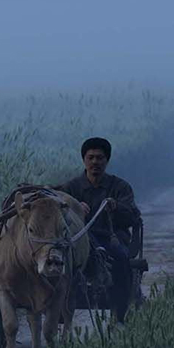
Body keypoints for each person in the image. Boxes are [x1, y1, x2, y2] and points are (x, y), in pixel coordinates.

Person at [56, 137, 140, 323]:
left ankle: (120, 312)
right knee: (57, 259)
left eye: (100, 158)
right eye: (91, 157)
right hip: (79, 240)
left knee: (121, 259)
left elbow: (133, 215)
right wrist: (75, 208)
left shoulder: (120, 187)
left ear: (107, 160)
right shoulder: (71, 188)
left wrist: (116, 207)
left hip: (111, 239)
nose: (95, 162)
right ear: (84, 160)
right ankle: (57, 308)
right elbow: (58, 213)